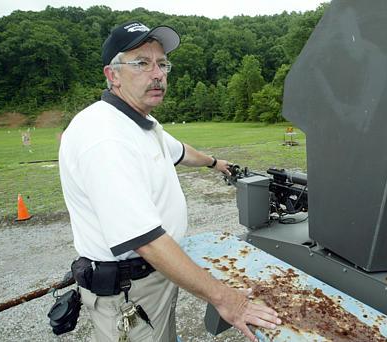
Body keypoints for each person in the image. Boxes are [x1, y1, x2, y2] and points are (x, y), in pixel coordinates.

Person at [59, 20, 281, 342]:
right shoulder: (106, 138)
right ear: (112, 75)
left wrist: (216, 163)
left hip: (153, 276)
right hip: (130, 292)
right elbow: (145, 239)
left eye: (162, 64)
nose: (158, 73)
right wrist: (226, 298)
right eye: (142, 63)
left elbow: (179, 151)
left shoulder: (142, 122)